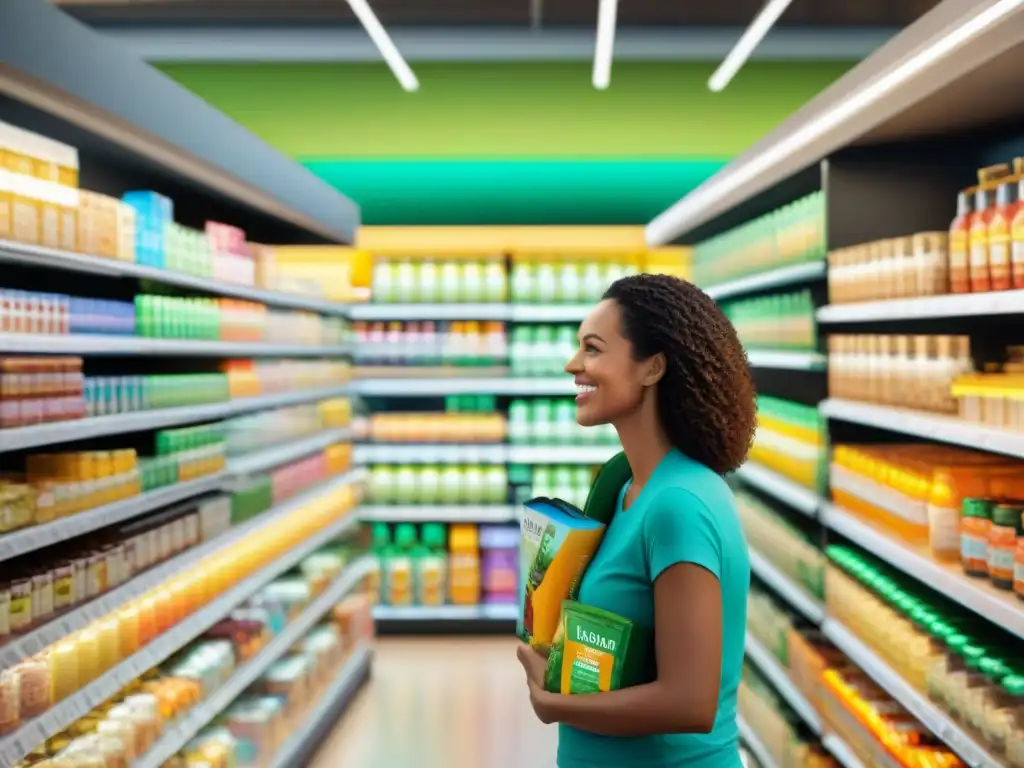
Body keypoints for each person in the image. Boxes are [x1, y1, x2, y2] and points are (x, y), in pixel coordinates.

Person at [516, 272, 757, 768]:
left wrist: (553, 703)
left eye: (593, 349)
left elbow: (689, 702)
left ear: (652, 368)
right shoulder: (623, 485)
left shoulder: (679, 505)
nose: (573, 364)